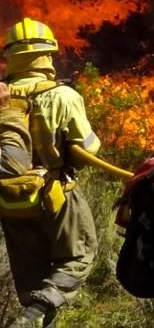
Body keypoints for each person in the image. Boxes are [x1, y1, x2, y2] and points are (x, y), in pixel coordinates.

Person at [1, 18, 101, 328]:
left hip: (10, 202)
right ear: (49, 54)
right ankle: (38, 313)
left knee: (30, 275)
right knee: (79, 256)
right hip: (57, 196)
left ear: (9, 56)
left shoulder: (2, 97)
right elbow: (89, 149)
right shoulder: (63, 96)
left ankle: (32, 315)